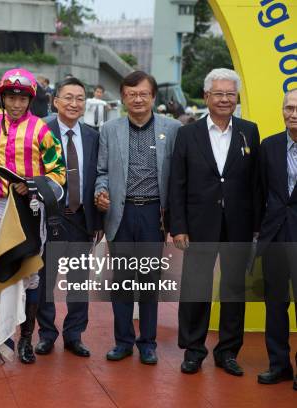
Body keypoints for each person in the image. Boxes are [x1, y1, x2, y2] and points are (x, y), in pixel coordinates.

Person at [170, 68, 261, 376]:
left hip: (239, 223)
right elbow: (177, 183)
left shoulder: (250, 130)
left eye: (230, 94)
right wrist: (177, 226)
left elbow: (255, 184)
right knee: (196, 287)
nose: (224, 99)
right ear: (206, 96)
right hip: (198, 225)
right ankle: (193, 350)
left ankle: (227, 352)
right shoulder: (187, 133)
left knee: (234, 288)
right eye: (218, 94)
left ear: (236, 98)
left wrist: (257, 227)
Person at [95, 71, 181, 365]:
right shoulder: (109, 129)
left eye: (144, 93)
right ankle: (123, 342)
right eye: (132, 94)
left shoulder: (173, 129)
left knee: (148, 282)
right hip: (121, 213)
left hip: (153, 215)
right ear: (123, 97)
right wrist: (101, 191)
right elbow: (102, 171)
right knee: (120, 282)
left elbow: (178, 176)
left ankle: (148, 343)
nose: (138, 99)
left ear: (153, 97)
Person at [0, 68, 65, 365]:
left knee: (30, 274)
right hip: (2, 206)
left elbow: (59, 173)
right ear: (3, 97)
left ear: (30, 100)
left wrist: (30, 186)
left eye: (22, 99)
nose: (16, 104)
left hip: (31, 209)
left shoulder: (42, 130)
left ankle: (26, 340)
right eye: (11, 98)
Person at [35, 77, 101, 358]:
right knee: (45, 280)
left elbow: (98, 177)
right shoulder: (41, 131)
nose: (74, 104)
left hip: (82, 218)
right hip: (49, 217)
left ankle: (74, 335)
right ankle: (46, 334)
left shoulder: (92, 136)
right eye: (68, 98)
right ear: (55, 101)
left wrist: (98, 219)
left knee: (78, 281)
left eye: (79, 99)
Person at [256, 88, 297, 391]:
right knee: (275, 305)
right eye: (288, 108)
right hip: (274, 238)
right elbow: (259, 193)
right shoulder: (268, 146)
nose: (292, 114)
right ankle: (279, 366)